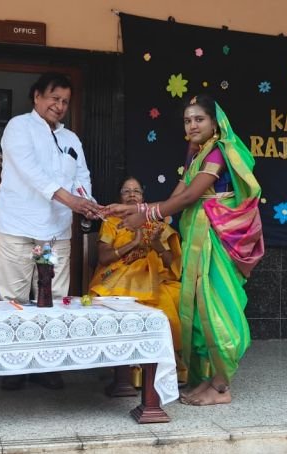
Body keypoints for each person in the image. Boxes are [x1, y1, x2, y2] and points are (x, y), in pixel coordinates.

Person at [105, 95, 264, 406]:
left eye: (199, 119)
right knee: (198, 306)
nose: (192, 125)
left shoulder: (218, 152)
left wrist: (145, 214)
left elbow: (190, 197)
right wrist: (133, 209)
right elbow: (176, 196)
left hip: (215, 237)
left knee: (215, 304)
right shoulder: (197, 154)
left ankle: (221, 386)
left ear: (215, 123)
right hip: (198, 235)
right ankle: (208, 378)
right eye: (187, 120)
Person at [0, 72, 103, 391]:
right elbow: (33, 174)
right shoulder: (18, 127)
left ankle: (46, 363)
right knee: (14, 297)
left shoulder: (71, 139)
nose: (60, 106)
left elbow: (81, 177)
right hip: (18, 227)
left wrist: (88, 204)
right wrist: (73, 201)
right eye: (54, 98)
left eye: (65, 101)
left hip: (54, 232)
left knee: (53, 297)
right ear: (37, 96)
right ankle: (13, 364)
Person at [89, 177, 186, 383]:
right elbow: (104, 258)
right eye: (126, 191)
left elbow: (172, 264)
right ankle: (127, 366)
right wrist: (134, 243)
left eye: (136, 191)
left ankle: (164, 364)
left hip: (155, 281)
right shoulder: (111, 223)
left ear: (143, 197)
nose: (132, 195)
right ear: (119, 198)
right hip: (118, 279)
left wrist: (157, 245)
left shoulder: (157, 225)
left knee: (177, 298)